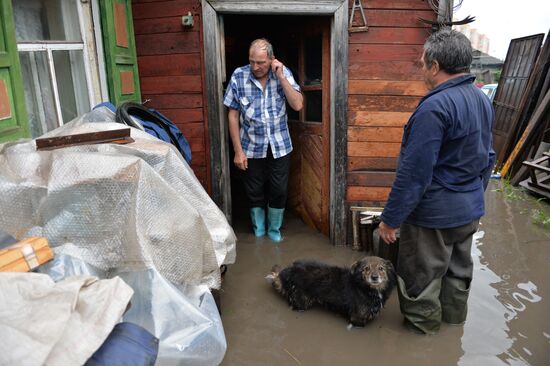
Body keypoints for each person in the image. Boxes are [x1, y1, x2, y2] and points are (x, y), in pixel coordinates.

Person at [377, 29, 495, 334]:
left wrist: (390, 220)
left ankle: (423, 339)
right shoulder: (481, 99)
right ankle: (453, 336)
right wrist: (472, 196)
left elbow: (414, 174)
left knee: (421, 279)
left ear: (435, 65)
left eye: (422, 62)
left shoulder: (434, 107)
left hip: (433, 217)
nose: (420, 68)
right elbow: (489, 156)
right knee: (457, 273)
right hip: (469, 210)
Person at [223, 38, 303, 242]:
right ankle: (259, 230)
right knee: (254, 191)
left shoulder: (282, 74)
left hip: (279, 145)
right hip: (250, 146)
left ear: (272, 59)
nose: (256, 67)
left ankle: (274, 230)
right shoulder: (238, 76)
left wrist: (282, 77)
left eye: (261, 62)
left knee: (279, 190)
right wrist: (238, 151)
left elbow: (297, 105)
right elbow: (232, 115)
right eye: (252, 61)